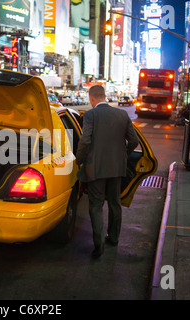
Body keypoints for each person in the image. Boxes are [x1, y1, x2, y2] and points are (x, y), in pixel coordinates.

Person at [76, 85, 139, 259]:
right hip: (117, 167)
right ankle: (114, 238)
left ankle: (99, 245)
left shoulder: (90, 115)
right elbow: (133, 141)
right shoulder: (122, 114)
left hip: (95, 168)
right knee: (114, 203)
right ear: (105, 96)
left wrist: (79, 159)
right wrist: (123, 156)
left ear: (91, 98)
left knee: (95, 206)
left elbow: (85, 140)